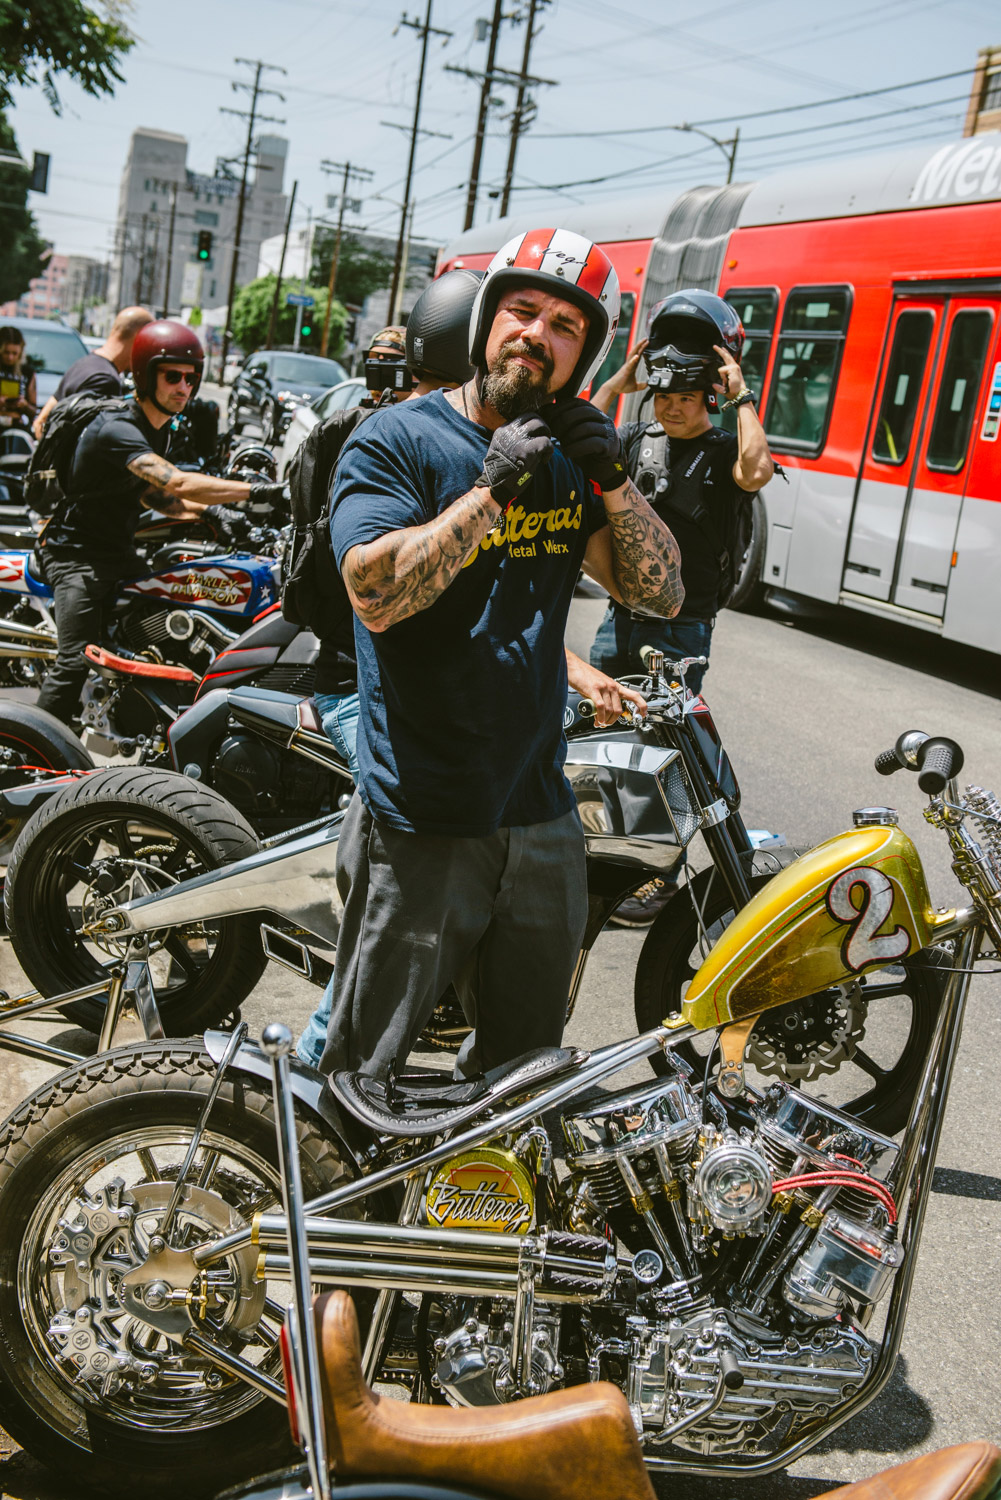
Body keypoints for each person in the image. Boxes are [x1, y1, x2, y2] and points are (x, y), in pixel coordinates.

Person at [318, 226, 685, 1083]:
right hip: (423, 809)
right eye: (522, 310)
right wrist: (490, 491)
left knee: (527, 1069)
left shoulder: (569, 460)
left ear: (582, 355)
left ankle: (475, 1212)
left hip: (539, 806)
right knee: (364, 1064)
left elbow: (660, 594)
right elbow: (374, 595)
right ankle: (337, 1200)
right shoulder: (398, 441)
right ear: (486, 321)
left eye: (565, 325)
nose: (537, 333)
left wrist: (613, 481)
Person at [588, 289, 774, 926]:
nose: (669, 407)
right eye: (662, 396)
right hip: (621, 616)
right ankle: (603, 854)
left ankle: (661, 875)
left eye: (684, 399)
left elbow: (757, 470)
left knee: (668, 750)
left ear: (711, 400)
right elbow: (586, 428)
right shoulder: (639, 438)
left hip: (682, 627)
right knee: (597, 731)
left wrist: (742, 392)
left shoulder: (724, 450)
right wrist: (622, 371)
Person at [36, 319, 284, 724]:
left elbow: (156, 495)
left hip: (118, 552)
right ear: (144, 374)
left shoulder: (159, 429)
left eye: (191, 378)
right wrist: (260, 492)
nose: (183, 387)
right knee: (74, 659)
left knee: (159, 627)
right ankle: (35, 753)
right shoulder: (117, 427)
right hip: (74, 556)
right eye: (172, 376)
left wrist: (214, 514)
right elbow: (177, 480)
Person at [32, 306, 153, 438]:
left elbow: (41, 422)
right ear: (138, 338)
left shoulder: (84, 363)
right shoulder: (105, 381)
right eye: (147, 343)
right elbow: (92, 444)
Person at [0, 327, 38, 431]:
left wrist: (24, 405)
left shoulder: (27, 372)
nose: (10, 357)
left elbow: (34, 411)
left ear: (20, 352)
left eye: (14, 353)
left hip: (16, 426)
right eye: (6, 352)